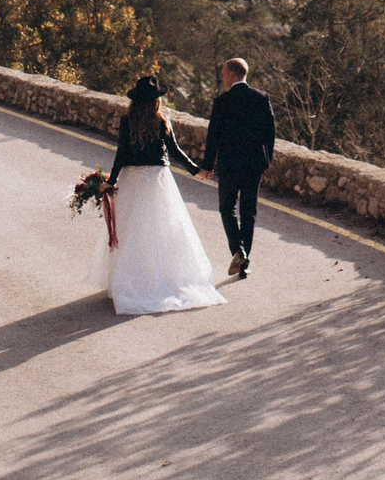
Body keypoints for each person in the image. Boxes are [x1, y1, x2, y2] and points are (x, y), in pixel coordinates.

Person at [87, 76, 224, 315]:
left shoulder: (127, 120)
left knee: (132, 231)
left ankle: (134, 281)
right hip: (158, 179)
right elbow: (175, 151)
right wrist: (196, 170)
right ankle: (162, 280)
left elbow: (121, 154)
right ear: (155, 101)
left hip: (133, 179)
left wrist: (110, 182)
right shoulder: (162, 121)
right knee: (163, 230)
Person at [202, 55, 275, 278]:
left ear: (233, 74)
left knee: (227, 208)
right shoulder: (261, 98)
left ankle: (238, 250)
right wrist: (266, 160)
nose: (222, 78)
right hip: (254, 164)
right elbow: (270, 132)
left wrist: (207, 165)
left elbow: (212, 136)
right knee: (248, 211)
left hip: (230, 165)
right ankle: (243, 260)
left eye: (224, 74)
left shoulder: (221, 102)